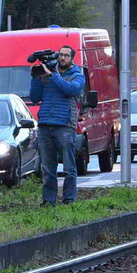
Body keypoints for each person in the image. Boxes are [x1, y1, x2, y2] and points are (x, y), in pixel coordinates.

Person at [29, 43, 86, 205]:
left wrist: (53, 75)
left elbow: (71, 90)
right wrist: (36, 78)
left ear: (72, 58)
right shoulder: (47, 73)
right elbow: (35, 97)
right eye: (60, 54)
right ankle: (48, 201)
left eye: (66, 55)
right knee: (48, 168)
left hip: (65, 125)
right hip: (45, 124)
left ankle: (68, 199)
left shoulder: (77, 75)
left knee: (69, 167)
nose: (62, 57)